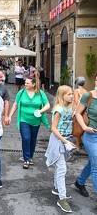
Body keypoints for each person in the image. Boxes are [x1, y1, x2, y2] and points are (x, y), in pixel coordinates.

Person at [8, 76, 50, 169]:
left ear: (33, 84)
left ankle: (30, 156)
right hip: (24, 119)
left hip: (36, 120)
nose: (25, 84)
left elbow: (47, 105)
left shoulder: (40, 93)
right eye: (25, 82)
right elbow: (15, 104)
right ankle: (26, 159)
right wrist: (10, 116)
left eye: (27, 83)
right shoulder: (21, 92)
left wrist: (41, 111)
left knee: (33, 139)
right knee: (26, 138)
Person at [45, 85, 75, 213]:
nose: (72, 96)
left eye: (72, 93)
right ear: (62, 96)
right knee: (62, 169)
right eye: (69, 94)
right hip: (59, 141)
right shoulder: (59, 109)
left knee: (60, 167)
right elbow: (53, 128)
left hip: (64, 140)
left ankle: (57, 189)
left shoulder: (68, 108)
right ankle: (62, 198)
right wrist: (65, 141)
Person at [72, 73, 97, 199]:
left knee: (93, 162)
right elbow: (77, 113)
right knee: (96, 165)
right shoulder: (89, 95)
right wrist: (84, 127)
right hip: (91, 135)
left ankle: (80, 182)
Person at [72, 76, 88, 152]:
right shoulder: (87, 92)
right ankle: (79, 145)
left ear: (77, 83)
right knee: (81, 128)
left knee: (76, 128)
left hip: (78, 111)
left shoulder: (76, 90)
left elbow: (75, 101)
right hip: (84, 112)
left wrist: (72, 111)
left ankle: (77, 146)